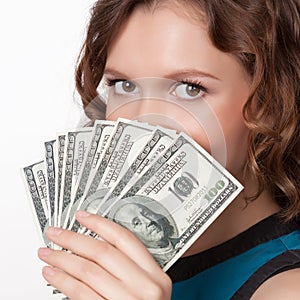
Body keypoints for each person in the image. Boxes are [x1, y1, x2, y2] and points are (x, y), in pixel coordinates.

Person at [37, 0, 300, 299]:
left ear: (271, 104)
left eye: (190, 88)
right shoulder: (108, 256)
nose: (143, 125)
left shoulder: (287, 289)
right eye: (124, 85)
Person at [107, 195, 180, 268]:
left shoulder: (180, 242)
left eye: (146, 213)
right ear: (129, 235)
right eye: (137, 223)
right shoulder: (143, 268)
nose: (148, 221)